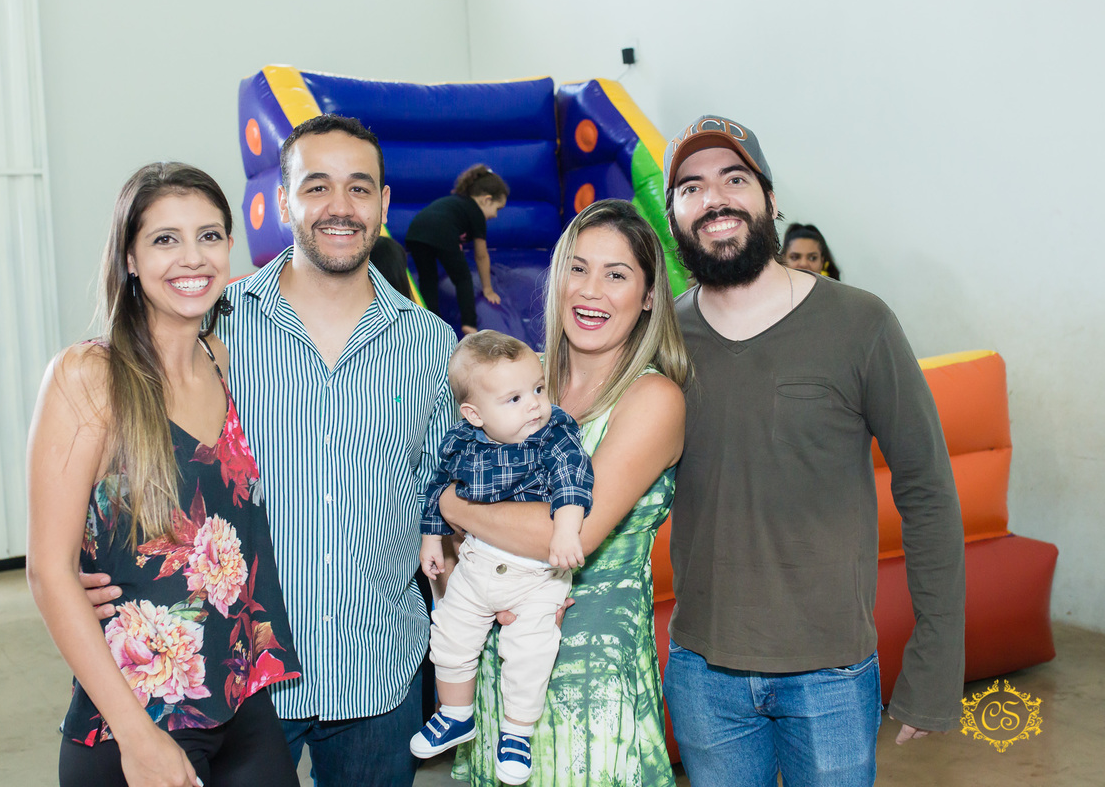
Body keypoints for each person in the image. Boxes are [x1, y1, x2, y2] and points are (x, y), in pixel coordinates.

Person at [81, 116, 457, 787]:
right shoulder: (209, 325)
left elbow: (439, 504)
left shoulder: (432, 344)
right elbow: (125, 454)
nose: (340, 206)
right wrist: (92, 569)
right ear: (282, 201)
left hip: (379, 671)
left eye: (359, 188)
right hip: (240, 684)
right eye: (316, 186)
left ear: (383, 204)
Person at [660, 114, 966, 786]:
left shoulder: (860, 322)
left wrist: (938, 664)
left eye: (734, 179)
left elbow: (928, 492)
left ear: (770, 200)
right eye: (691, 187)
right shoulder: (662, 340)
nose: (714, 199)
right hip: (702, 673)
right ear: (674, 216)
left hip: (830, 677)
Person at [27, 162, 303, 787]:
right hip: (134, 718)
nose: (192, 257)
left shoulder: (220, 359)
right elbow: (48, 569)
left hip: (241, 699)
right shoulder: (89, 377)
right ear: (130, 258)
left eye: (209, 236)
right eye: (165, 239)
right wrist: (137, 737)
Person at [439, 199, 689, 787]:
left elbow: (571, 531)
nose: (590, 290)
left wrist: (451, 504)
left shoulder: (652, 399)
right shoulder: (522, 380)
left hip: (588, 682)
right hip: (500, 664)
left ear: (648, 296)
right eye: (577, 268)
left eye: (616, 274)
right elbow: (450, 539)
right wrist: (469, 590)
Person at [412, 331, 594, 784]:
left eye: (538, 389)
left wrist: (566, 529)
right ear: (474, 414)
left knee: (530, 650)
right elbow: (437, 486)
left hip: (536, 575)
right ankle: (456, 714)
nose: (534, 405)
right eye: (514, 398)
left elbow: (573, 479)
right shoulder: (461, 441)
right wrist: (432, 539)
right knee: (449, 633)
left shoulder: (553, 434)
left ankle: (517, 732)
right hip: (477, 563)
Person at [406, 164, 509, 335]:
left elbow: (443, 223)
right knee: (463, 278)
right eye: (497, 209)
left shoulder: (456, 202)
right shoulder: (476, 213)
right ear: (487, 200)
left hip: (415, 232)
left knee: (428, 279)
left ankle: (431, 321)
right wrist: (488, 289)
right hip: (441, 232)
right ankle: (469, 323)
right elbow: (481, 256)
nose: (495, 215)